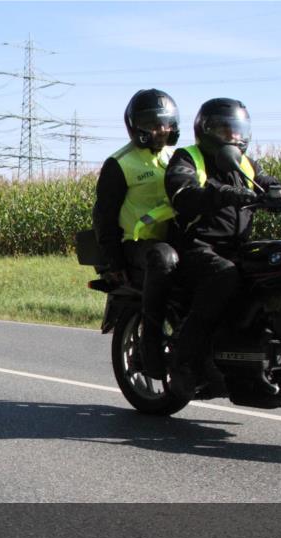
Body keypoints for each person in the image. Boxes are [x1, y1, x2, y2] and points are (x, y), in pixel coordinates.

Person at [164, 97, 281, 399]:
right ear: (207, 130)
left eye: (239, 131)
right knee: (225, 277)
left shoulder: (245, 163)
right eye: (227, 131)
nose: (235, 138)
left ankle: (254, 353)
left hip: (237, 247)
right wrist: (223, 193)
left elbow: (268, 183)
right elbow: (183, 192)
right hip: (197, 246)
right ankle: (184, 360)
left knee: (277, 270)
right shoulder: (187, 158)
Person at [93, 89, 181, 379]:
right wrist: (114, 263)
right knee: (162, 259)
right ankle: (151, 344)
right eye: (152, 123)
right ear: (135, 125)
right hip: (136, 245)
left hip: (174, 239)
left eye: (165, 123)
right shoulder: (120, 164)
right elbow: (104, 217)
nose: (160, 130)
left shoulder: (176, 157)